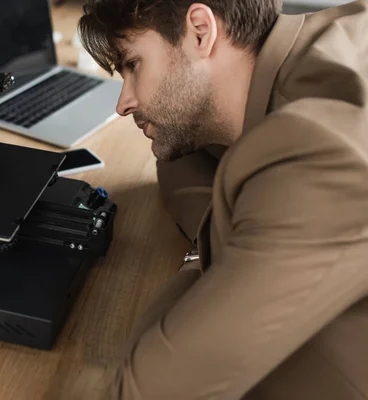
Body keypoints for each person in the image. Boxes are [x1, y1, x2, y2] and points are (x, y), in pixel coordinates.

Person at [78, 0, 368, 399]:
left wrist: (214, 265)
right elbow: (178, 159)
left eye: (133, 65)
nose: (123, 102)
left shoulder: (321, 151)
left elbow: (150, 388)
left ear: (200, 30)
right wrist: (218, 243)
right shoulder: (322, 47)